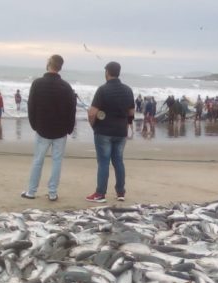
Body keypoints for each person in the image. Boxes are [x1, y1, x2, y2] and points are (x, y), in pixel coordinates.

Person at [21, 54, 76, 202]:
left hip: (43, 128)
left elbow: (31, 105)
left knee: (38, 160)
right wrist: (69, 128)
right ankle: (52, 192)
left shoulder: (38, 83)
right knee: (57, 161)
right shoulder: (66, 86)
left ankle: (31, 191)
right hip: (60, 130)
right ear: (60, 67)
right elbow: (72, 109)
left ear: (48, 64)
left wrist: (34, 124)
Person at [86, 61, 134, 203]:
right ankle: (120, 192)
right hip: (121, 132)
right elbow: (131, 112)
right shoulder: (127, 90)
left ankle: (100, 193)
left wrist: (94, 126)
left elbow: (92, 113)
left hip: (104, 131)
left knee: (103, 162)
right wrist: (128, 124)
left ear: (107, 72)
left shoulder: (102, 90)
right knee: (118, 161)